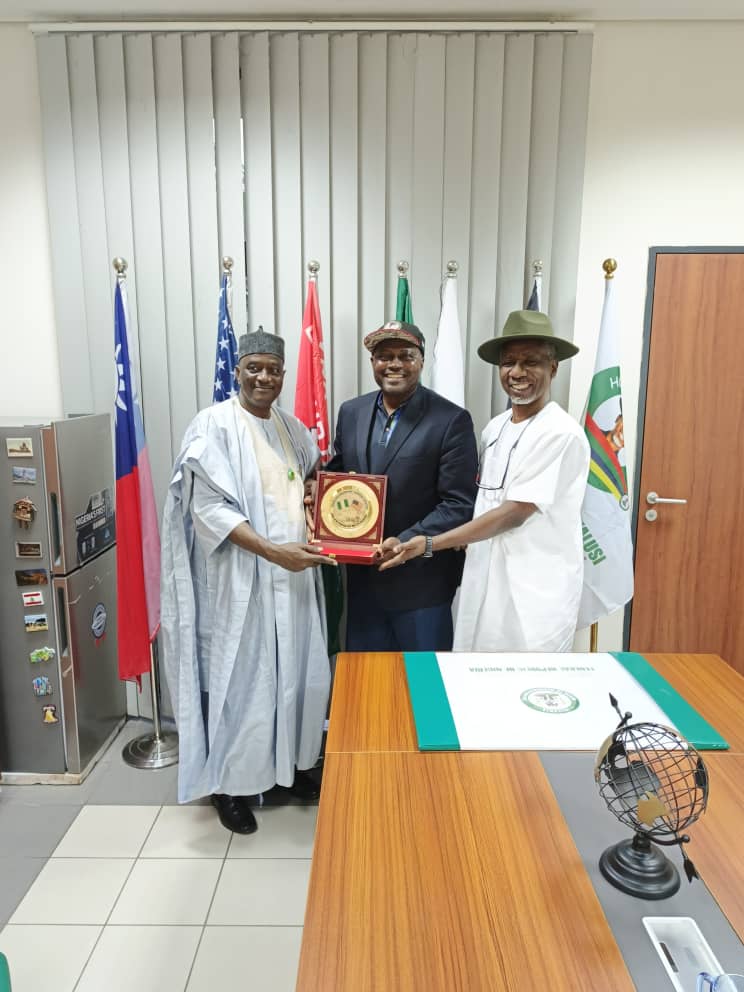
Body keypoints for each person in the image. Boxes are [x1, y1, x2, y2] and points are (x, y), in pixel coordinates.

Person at [161, 329, 332, 835]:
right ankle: (231, 786)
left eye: (273, 369)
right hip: (244, 581)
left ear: (283, 375)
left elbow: (309, 489)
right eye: (253, 367)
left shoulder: (293, 428)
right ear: (236, 370)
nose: (263, 377)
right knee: (244, 682)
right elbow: (208, 509)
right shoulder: (213, 426)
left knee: (297, 676)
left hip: (296, 580)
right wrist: (273, 551)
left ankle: (291, 767)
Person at [382, 309, 590, 653]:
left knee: (527, 690)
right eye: (509, 363)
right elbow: (482, 502)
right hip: (483, 580)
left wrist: (429, 543)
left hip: (532, 593)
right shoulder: (495, 428)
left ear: (553, 368)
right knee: (478, 684)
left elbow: (514, 512)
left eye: (531, 362)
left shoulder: (561, 433)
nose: (517, 372)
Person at [324, 320, 478, 651]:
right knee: (369, 691)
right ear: (373, 363)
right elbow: (341, 475)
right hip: (363, 585)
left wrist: (407, 542)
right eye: (384, 356)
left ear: (422, 361)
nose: (394, 364)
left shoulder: (451, 420)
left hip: (422, 588)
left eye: (406, 355)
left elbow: (460, 504)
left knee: (424, 690)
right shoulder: (351, 412)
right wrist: (315, 488)